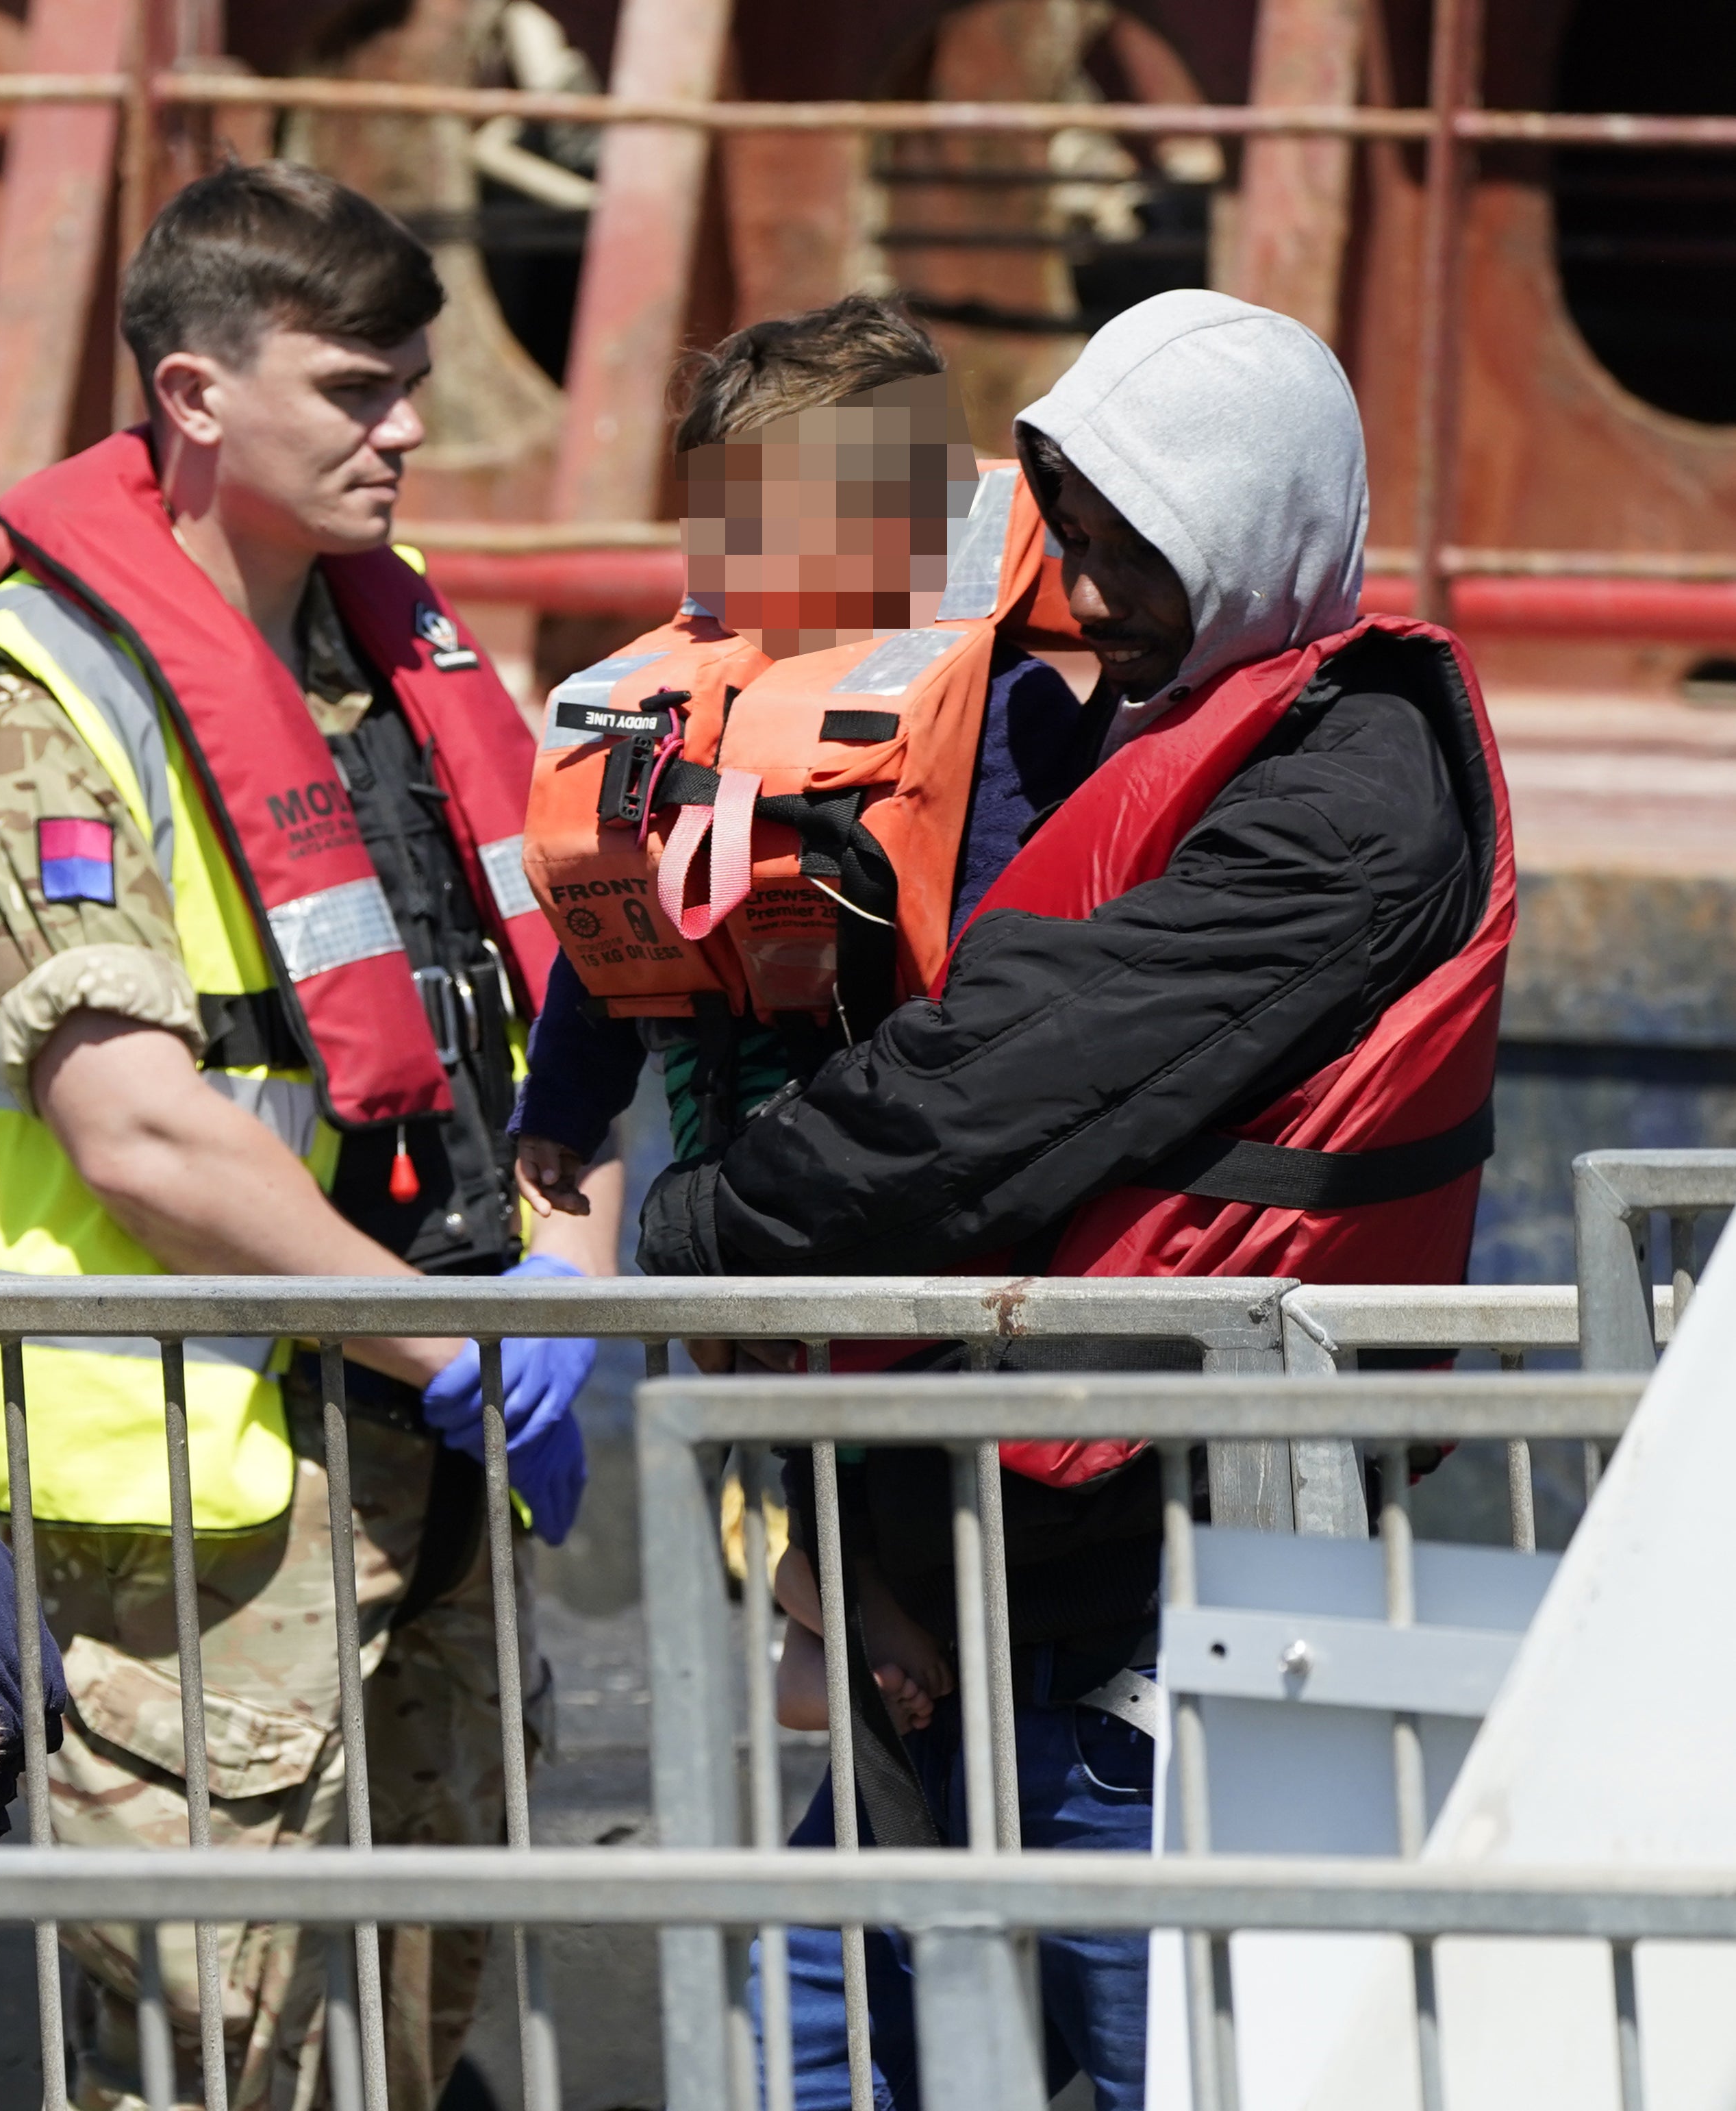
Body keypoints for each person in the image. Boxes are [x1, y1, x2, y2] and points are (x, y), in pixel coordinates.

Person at [636, 290, 1513, 2108]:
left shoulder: (1345, 801)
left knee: (1131, 2060)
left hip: (1151, 1591)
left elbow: (1019, 1072)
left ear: (1258, 543)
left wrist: (703, 1232)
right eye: (1081, 548)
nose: (1094, 603)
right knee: (817, 2031)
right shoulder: (1169, 715)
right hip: (988, 1569)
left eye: (1143, 560)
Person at [0, 161, 612, 2111]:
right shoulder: (32, 710)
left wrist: (569, 1273)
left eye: (414, 380)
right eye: (357, 387)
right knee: (217, 2059)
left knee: (422, 2023)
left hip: (432, 1481)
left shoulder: (402, 668)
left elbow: (540, 1015)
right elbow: (139, 1132)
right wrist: (460, 1346)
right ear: (193, 397)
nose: (410, 428)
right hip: (203, 1533)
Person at [512, 295, 1107, 1217]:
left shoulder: (1001, 701)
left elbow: (1041, 933)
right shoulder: (686, 709)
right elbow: (614, 927)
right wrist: (563, 1105)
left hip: (918, 1146)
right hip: (721, 1156)